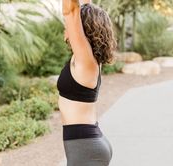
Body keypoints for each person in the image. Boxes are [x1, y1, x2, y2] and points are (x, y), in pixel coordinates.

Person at [57, 0, 117, 165]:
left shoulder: (86, 61)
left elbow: (71, 11)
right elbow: (82, 5)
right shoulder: (87, 59)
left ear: (83, 29)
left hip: (85, 148)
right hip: (85, 145)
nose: (66, 26)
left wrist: (73, 15)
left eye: (69, 24)